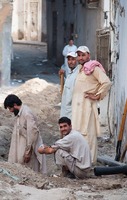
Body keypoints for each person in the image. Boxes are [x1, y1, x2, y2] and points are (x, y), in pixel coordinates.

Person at [71, 46, 112, 164]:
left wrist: (97, 95)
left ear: (88, 55)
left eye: (83, 55)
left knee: (89, 136)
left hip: (88, 108)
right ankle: (80, 162)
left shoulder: (93, 68)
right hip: (78, 109)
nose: (80, 57)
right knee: (78, 135)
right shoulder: (80, 69)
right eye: (78, 55)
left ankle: (90, 163)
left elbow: (107, 82)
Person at [4, 94, 46, 174]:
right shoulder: (20, 113)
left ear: (15, 105)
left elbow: (32, 134)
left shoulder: (27, 113)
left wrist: (28, 152)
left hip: (28, 148)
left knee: (31, 170)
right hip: (22, 146)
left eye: (10, 108)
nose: (10, 111)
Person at [60, 51, 79, 119]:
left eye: (73, 59)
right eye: (69, 59)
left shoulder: (78, 74)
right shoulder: (70, 73)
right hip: (66, 109)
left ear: (77, 60)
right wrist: (61, 76)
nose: (70, 62)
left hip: (72, 111)